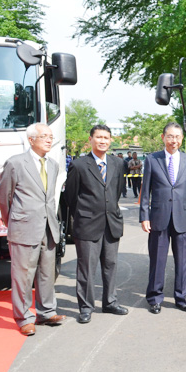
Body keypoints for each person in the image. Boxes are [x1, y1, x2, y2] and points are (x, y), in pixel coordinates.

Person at [0, 123, 66, 336]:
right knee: (23, 275)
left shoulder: (53, 165)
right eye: (44, 136)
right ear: (31, 140)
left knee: (47, 273)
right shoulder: (16, 163)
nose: (49, 139)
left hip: (48, 228)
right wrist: (15, 222)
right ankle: (24, 317)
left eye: (50, 136)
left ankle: (46, 312)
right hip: (24, 227)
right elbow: (4, 197)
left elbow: (50, 198)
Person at [66, 125, 129, 324]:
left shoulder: (117, 164)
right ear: (90, 139)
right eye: (99, 137)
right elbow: (71, 197)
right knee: (86, 268)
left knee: (110, 265)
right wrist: (86, 213)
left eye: (106, 138)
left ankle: (110, 302)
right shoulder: (79, 165)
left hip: (111, 223)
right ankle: (86, 306)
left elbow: (117, 191)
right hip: (87, 224)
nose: (103, 141)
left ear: (111, 140)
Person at [140, 122, 186, 314]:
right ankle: (154, 298)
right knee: (157, 260)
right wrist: (144, 216)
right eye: (170, 136)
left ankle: (181, 297)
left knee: (182, 261)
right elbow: (145, 191)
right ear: (163, 137)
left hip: (182, 218)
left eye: (177, 137)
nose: (174, 141)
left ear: (181, 139)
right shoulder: (152, 160)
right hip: (159, 217)